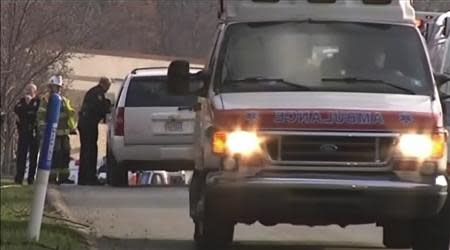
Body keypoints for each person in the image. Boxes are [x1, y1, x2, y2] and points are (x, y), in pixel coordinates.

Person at [37, 75, 77, 185]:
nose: (58, 89)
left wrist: (72, 127)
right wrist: (43, 129)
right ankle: (52, 178)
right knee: (55, 155)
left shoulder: (64, 101)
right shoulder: (46, 100)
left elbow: (70, 116)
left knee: (65, 155)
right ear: (51, 87)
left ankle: (64, 177)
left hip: (64, 133)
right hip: (52, 134)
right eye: (56, 87)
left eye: (59, 87)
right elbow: (41, 115)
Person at [77, 77, 111, 185]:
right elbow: (99, 108)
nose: (108, 89)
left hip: (86, 123)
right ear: (104, 84)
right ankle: (89, 178)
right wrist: (108, 106)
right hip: (89, 124)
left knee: (85, 150)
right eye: (108, 86)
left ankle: (83, 178)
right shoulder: (98, 93)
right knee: (90, 150)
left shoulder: (93, 92)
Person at [14, 83, 40, 185]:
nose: (29, 92)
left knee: (33, 157)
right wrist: (27, 105)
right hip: (23, 132)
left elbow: (36, 113)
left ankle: (31, 178)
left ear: (35, 92)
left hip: (34, 132)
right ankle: (19, 178)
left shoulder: (38, 101)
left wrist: (29, 106)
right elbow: (17, 109)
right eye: (27, 90)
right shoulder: (22, 101)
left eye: (31, 90)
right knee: (21, 155)